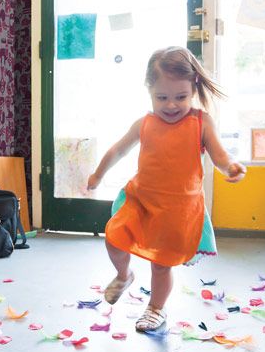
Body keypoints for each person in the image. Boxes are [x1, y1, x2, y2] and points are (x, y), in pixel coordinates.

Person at [87, 46, 246, 332]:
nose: (171, 105)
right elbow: (118, 150)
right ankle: (123, 276)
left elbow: (220, 157)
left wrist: (231, 168)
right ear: (149, 91)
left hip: (178, 209)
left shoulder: (201, 123)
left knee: (162, 265)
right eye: (162, 98)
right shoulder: (145, 123)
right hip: (141, 200)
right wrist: (98, 174)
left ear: (194, 89)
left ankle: (155, 309)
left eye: (180, 97)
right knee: (114, 238)